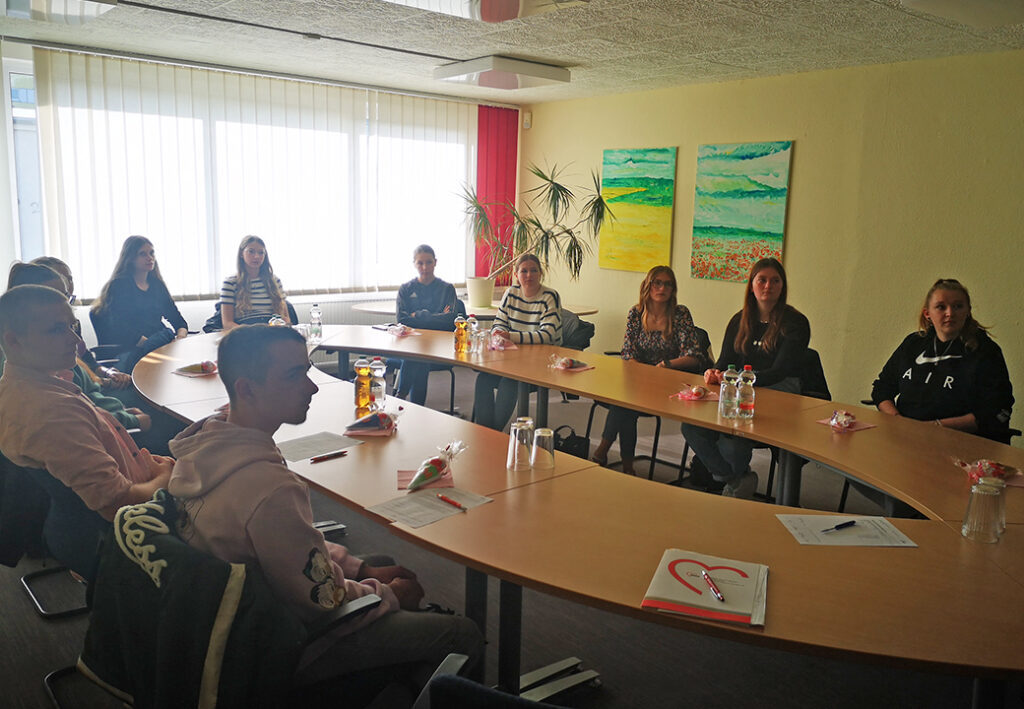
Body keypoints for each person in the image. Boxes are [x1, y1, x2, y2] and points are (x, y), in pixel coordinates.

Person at [167, 325, 482, 694]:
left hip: (241, 613)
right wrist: (390, 595)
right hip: (285, 644)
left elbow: (288, 546)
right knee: (463, 633)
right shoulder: (269, 489)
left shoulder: (208, 444)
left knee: (377, 557)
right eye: (294, 375)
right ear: (246, 389)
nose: (312, 386)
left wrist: (362, 569)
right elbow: (323, 600)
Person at [0, 284, 173, 576]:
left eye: (72, 326)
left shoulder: (22, 388)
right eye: (56, 330)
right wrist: (167, 477)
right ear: (14, 342)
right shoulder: (52, 413)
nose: (76, 340)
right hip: (130, 531)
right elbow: (118, 504)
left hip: (74, 524)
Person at [681, 257, 810, 499]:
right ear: (751, 284)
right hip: (741, 389)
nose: (767, 286)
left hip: (779, 390)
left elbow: (779, 372)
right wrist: (714, 372)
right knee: (691, 426)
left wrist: (738, 380)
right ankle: (736, 478)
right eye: (762, 280)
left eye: (775, 281)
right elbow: (723, 361)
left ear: (782, 287)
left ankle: (735, 480)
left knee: (733, 440)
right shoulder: (739, 320)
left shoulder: (796, 323)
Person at [592, 266, 711, 475]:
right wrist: (642, 374)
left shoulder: (680, 314)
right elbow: (627, 352)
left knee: (624, 403)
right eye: (657, 282)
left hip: (669, 384)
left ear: (673, 289)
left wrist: (667, 365)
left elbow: (693, 356)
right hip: (638, 381)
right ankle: (626, 465)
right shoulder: (636, 313)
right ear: (649, 285)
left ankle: (604, 452)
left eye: (667, 284)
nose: (662, 288)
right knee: (626, 402)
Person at [871, 278, 1013, 442]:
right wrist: (897, 420)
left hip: (961, 444)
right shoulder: (913, 344)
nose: (950, 313)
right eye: (941, 307)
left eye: (958, 306)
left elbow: (995, 409)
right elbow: (882, 388)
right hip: (906, 439)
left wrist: (935, 427)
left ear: (968, 311)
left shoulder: (985, 351)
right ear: (928, 313)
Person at [472, 254, 562, 431]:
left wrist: (511, 336)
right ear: (516, 274)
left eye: (534, 270)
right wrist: (498, 331)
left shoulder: (550, 296)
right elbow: (499, 321)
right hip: (511, 358)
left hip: (540, 362)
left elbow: (548, 335)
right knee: (483, 379)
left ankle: (494, 433)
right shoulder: (511, 293)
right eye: (524, 271)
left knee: (510, 381)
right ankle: (484, 433)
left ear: (541, 273)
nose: (529, 275)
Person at [32, 256, 132, 391]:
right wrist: (104, 382)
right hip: (85, 390)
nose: (67, 283)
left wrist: (108, 373)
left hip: (94, 385)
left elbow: (88, 360)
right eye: (61, 277)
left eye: (70, 278)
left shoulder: (73, 322)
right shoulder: (44, 330)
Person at [90, 235, 189, 372]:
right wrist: (153, 346)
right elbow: (121, 328)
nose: (150, 258)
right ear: (130, 258)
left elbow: (179, 322)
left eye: (151, 253)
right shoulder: (119, 285)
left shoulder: (157, 285)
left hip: (158, 345)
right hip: (131, 349)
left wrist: (179, 339)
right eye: (143, 254)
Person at [395, 244, 460, 405]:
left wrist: (417, 315)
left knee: (418, 355)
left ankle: (400, 396)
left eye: (429, 262)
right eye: (420, 263)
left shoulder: (447, 289)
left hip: (440, 345)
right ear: (414, 264)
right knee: (419, 355)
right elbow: (402, 320)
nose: (425, 267)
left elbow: (450, 320)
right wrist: (436, 317)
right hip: (410, 344)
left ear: (435, 262)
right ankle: (416, 407)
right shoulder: (406, 289)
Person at [219, 235, 291, 329]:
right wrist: (249, 332)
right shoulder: (230, 283)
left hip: (272, 330)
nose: (256, 256)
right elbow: (227, 323)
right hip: (245, 332)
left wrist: (282, 326)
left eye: (261, 253)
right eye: (251, 251)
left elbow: (286, 318)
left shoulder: (274, 281)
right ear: (241, 253)